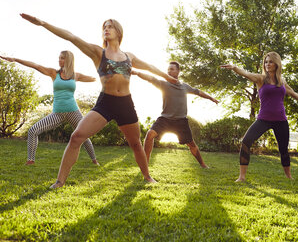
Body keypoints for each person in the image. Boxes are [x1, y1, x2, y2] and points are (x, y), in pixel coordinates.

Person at [20, 13, 177, 188]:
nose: (106, 29)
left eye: (110, 26)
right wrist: (42, 23)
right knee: (76, 136)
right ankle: (59, 181)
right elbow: (72, 37)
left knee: (135, 143)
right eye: (104, 27)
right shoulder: (98, 53)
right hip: (106, 103)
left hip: (126, 103)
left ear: (118, 31)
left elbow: (150, 66)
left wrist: (167, 77)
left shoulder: (129, 57)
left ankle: (147, 176)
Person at [220, 51, 298, 182]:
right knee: (246, 142)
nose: (267, 64)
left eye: (271, 62)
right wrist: (234, 68)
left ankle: (289, 176)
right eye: (266, 62)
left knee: (283, 149)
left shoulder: (281, 81)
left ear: (277, 64)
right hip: (264, 119)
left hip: (281, 120)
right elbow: (246, 73)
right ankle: (242, 177)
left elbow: (291, 92)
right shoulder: (261, 79)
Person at [0, 52, 99, 166]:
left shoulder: (75, 75)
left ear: (68, 60)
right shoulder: (54, 73)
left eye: (62, 58)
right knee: (33, 131)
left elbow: (94, 78)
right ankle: (30, 160)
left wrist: (106, 71)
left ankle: (94, 160)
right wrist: (15, 59)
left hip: (73, 111)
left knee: (83, 134)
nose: (59, 60)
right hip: (57, 113)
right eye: (59, 58)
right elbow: (35, 65)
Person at [131, 61, 219, 168]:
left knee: (191, 144)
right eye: (168, 69)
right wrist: (136, 72)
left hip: (181, 121)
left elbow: (198, 92)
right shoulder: (163, 84)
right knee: (150, 135)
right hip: (165, 119)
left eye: (172, 69)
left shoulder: (185, 86)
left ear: (178, 71)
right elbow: (150, 78)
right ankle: (145, 165)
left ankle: (203, 164)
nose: (169, 71)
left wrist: (211, 98)